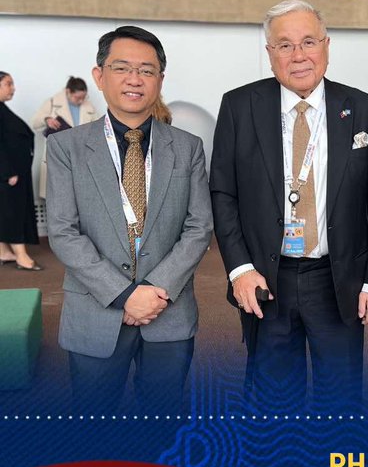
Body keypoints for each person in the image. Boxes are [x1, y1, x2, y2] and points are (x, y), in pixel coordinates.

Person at [210, 0, 368, 413]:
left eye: (308, 41)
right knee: (274, 401)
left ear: (327, 46)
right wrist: (240, 269)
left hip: (338, 279)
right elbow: (223, 193)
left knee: (342, 399)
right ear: (269, 53)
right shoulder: (239, 106)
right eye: (284, 45)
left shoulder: (363, 110)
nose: (299, 55)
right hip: (266, 279)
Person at [44, 27, 213, 414]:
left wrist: (154, 290)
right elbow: (63, 232)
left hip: (167, 310)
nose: (135, 79)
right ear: (100, 76)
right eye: (122, 68)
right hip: (94, 311)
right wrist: (125, 295)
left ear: (160, 80)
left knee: (164, 422)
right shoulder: (66, 147)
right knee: (94, 429)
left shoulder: (187, 148)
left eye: (147, 70)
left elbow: (198, 226)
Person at [31, 76, 101, 204]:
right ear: (68, 92)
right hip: (58, 156)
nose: (81, 101)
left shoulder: (89, 107)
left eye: (83, 98)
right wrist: (47, 119)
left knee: (80, 200)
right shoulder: (52, 103)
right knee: (57, 199)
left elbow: (98, 130)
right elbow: (35, 122)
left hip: (81, 156)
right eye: (77, 98)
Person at [0, 71, 43, 271]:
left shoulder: (2, 109)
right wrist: (7, 172)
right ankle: (21, 256)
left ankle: (3, 251)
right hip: (9, 176)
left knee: (7, 212)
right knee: (13, 213)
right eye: (8, 84)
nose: (13, 88)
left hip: (14, 173)